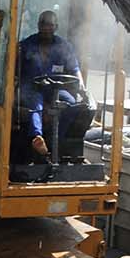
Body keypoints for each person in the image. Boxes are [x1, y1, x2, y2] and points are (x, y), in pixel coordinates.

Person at [17, 10, 83, 156]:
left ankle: (56, 139)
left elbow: (74, 68)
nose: (47, 28)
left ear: (56, 27)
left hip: (54, 89)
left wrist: (81, 83)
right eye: (44, 24)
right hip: (32, 89)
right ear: (38, 26)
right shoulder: (26, 45)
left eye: (50, 25)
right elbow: (13, 67)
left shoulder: (64, 47)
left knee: (72, 104)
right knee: (36, 104)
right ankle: (37, 137)